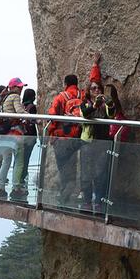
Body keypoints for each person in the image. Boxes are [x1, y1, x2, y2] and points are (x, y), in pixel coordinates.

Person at [79, 65, 117, 212]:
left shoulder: (105, 104)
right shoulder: (85, 103)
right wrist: (95, 105)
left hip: (102, 142)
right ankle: (87, 201)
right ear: (89, 91)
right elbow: (85, 114)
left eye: (98, 88)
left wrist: (109, 103)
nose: (96, 90)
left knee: (101, 173)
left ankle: (99, 202)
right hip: (87, 142)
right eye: (93, 88)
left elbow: (112, 114)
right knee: (86, 173)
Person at [48, 73, 84, 202]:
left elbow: (53, 116)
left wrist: (51, 134)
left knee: (63, 167)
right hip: (78, 138)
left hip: (62, 138)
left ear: (65, 84)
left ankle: (64, 195)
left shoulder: (61, 97)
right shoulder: (83, 96)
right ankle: (70, 191)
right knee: (72, 165)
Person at [0, 79, 26, 196]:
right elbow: (19, 112)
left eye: (21, 87)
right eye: (19, 87)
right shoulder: (15, 97)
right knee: (19, 161)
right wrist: (34, 118)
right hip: (15, 132)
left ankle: (0, 188)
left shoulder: (4, 98)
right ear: (12, 88)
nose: (21, 89)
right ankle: (16, 188)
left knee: (6, 161)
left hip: (4, 133)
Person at [11, 87, 38, 199]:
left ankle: (16, 182)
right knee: (25, 161)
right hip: (29, 136)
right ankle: (21, 182)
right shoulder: (32, 107)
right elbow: (32, 121)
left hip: (20, 135)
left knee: (18, 160)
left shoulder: (21, 106)